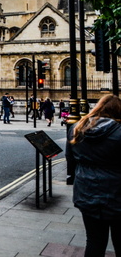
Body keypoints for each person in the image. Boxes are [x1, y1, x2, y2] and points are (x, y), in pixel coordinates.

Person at [67, 94, 121, 256]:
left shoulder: (76, 128)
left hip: (86, 192)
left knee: (94, 241)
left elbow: (70, 160)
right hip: (117, 194)